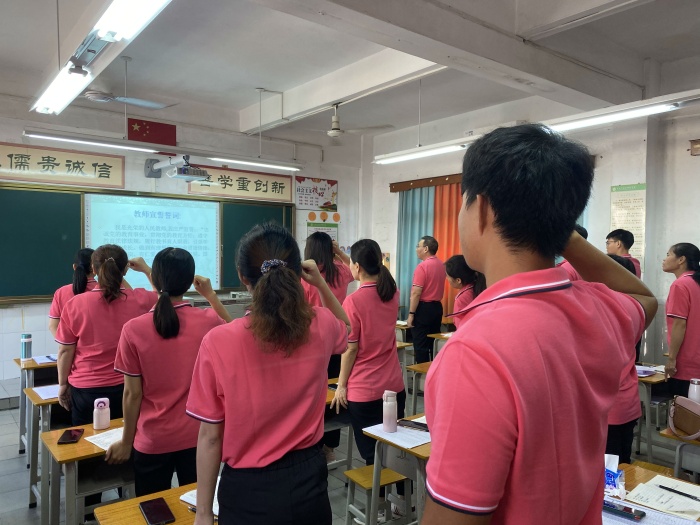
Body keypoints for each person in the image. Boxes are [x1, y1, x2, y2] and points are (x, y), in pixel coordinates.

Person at [422, 124, 656, 525]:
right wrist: (561, 230)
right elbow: (644, 298)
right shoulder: (598, 309)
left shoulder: (474, 352)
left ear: (481, 209)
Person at [186, 223, 350, 525]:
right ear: (298, 273)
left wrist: (204, 512)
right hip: (309, 482)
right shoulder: (322, 324)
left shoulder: (218, 341)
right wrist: (321, 285)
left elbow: (210, 437)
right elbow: (348, 329)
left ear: (241, 276)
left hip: (249, 490)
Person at [105, 248, 231, 497]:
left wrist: (127, 442)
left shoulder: (133, 329)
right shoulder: (208, 321)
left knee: (153, 509)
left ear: (156, 279)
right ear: (190, 281)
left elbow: (132, 394)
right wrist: (211, 296)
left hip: (153, 439)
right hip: (198, 437)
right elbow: (235, 330)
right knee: (195, 505)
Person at [55, 244, 158, 516]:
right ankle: (131, 506)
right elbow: (165, 296)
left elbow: (65, 351)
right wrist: (147, 270)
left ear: (93, 269)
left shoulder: (76, 304)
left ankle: (89, 509)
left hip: (86, 391)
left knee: (88, 449)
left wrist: (63, 385)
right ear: (124, 271)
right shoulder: (139, 300)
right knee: (129, 442)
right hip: (128, 389)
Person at [330, 239, 405, 462]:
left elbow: (351, 349)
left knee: (373, 459)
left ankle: (377, 491)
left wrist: (341, 385)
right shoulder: (393, 293)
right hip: (394, 386)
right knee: (392, 453)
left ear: (357, 266)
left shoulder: (353, 301)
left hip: (365, 391)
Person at [301, 231, 354, 462]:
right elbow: (354, 267)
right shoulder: (340, 270)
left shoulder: (304, 276)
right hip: (338, 337)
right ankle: (330, 447)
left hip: (312, 342)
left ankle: (313, 439)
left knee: (313, 392)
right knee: (333, 389)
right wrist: (339, 251)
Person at [604, 254, 641, 464]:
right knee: (622, 465)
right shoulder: (634, 305)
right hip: (627, 402)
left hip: (607, 406)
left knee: (606, 469)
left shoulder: (604, 307)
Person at [663, 243, 700, 397]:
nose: (664, 259)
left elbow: (679, 324)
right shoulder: (696, 282)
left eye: (668, 255)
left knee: (684, 409)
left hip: (687, 364)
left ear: (681, 260)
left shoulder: (680, 285)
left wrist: (671, 360)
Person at [407, 235, 444, 362]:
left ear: (426, 249)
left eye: (418, 246)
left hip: (423, 309)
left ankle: (422, 373)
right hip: (437, 308)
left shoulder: (422, 267)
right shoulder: (441, 265)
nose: (416, 249)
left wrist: (411, 314)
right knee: (433, 343)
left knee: (420, 345)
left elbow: (416, 293)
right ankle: (435, 369)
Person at [48, 248, 96, 337]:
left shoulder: (61, 292)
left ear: (74, 267)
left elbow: (53, 326)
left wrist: (64, 343)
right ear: (95, 269)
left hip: (68, 345)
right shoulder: (106, 290)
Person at [444, 254, 484, 329]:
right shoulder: (478, 288)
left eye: (447, 276)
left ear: (458, 280)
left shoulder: (461, 299)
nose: (446, 279)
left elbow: (461, 328)